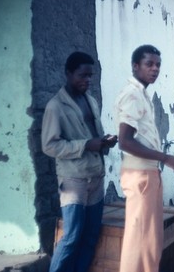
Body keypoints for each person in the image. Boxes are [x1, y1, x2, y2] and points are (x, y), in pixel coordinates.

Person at [41, 51, 118, 272]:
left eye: (90, 76)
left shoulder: (90, 100)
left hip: (95, 177)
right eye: (82, 75)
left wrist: (104, 142)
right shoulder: (55, 106)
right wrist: (85, 145)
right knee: (72, 236)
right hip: (73, 180)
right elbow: (50, 146)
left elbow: (93, 134)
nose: (87, 80)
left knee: (91, 235)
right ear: (68, 73)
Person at [114, 44, 174, 272]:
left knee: (150, 241)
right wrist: (164, 158)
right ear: (136, 67)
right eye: (149, 64)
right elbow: (125, 141)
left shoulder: (142, 93)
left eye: (157, 65)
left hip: (148, 173)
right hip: (140, 174)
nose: (154, 69)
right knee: (139, 240)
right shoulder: (132, 94)